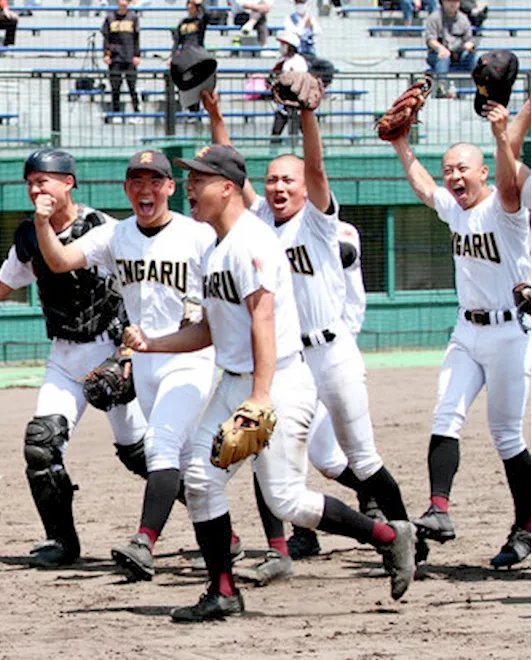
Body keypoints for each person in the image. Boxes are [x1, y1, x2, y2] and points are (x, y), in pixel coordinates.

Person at [123, 137, 415, 621]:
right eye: (190, 180)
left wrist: (259, 398)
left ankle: (388, 535)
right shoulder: (215, 248)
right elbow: (210, 330)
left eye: (199, 180)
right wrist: (152, 343)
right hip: (238, 381)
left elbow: (263, 318)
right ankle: (222, 592)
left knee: (286, 498)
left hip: (276, 382)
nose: (190, 189)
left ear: (229, 188)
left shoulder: (251, 242)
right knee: (199, 477)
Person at [207, 85, 412, 585]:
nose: (279, 187)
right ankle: (286, 545)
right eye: (273, 179)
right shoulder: (257, 223)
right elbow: (228, 171)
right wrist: (215, 114)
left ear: (304, 188)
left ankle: (408, 534)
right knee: (285, 451)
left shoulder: (319, 222)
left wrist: (307, 117)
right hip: (289, 362)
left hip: (332, 351)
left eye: (288, 180)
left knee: (361, 456)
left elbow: (317, 170)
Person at [0, 149, 150, 568]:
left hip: (110, 352)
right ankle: (61, 541)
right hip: (64, 355)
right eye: (32, 182)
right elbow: (3, 286)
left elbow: (139, 287)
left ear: (69, 183)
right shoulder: (27, 235)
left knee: (141, 455)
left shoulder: (104, 229)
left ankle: (214, 520)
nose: (37, 188)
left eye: (46, 180)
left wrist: (129, 352)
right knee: (41, 446)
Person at [16, 149, 213, 578]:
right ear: (126, 188)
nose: (146, 189)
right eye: (137, 182)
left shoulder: (196, 235)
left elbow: (220, 296)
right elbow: (58, 261)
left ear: (169, 188)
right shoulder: (116, 235)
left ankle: (152, 541)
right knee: (45, 443)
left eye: (155, 181)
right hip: (133, 358)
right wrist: (41, 222)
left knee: (159, 451)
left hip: (177, 356)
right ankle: (64, 541)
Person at [390, 103, 532, 569]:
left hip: (512, 331)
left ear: (483, 172)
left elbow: (512, 180)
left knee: (506, 436)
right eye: (449, 167)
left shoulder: (504, 207)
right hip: (465, 330)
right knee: (445, 414)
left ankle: (526, 526)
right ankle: (440, 510)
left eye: (462, 168)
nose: (453, 175)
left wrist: (506, 126)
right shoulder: (454, 208)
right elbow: (424, 186)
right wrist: (401, 145)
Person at [287, 220, 376, 559]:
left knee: (326, 456)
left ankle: (373, 499)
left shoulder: (341, 230)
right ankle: (304, 532)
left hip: (334, 350)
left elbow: (346, 256)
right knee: (309, 451)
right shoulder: (280, 230)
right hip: (295, 354)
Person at [424, 0, 476, 98]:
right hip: (437, 54)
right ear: (442, 2)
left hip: (458, 53)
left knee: (474, 58)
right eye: (449, 1)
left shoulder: (463, 19)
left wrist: (469, 44)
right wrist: (440, 48)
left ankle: (480, 86)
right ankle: (441, 87)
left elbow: (469, 39)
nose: (452, 4)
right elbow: (430, 39)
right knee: (444, 56)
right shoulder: (434, 17)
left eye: (455, 1)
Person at [102, 0, 142, 124]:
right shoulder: (110, 17)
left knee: (132, 86)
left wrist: (136, 55)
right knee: (115, 86)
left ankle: (137, 112)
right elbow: (106, 38)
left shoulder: (133, 17)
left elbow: (136, 38)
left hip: (129, 56)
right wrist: (106, 54)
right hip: (115, 57)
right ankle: (116, 112)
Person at [270, 30, 308, 142]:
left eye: (283, 45)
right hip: (282, 104)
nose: (280, 47)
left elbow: (296, 81)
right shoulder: (282, 61)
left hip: (296, 104)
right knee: (275, 133)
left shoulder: (299, 62)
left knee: (300, 132)